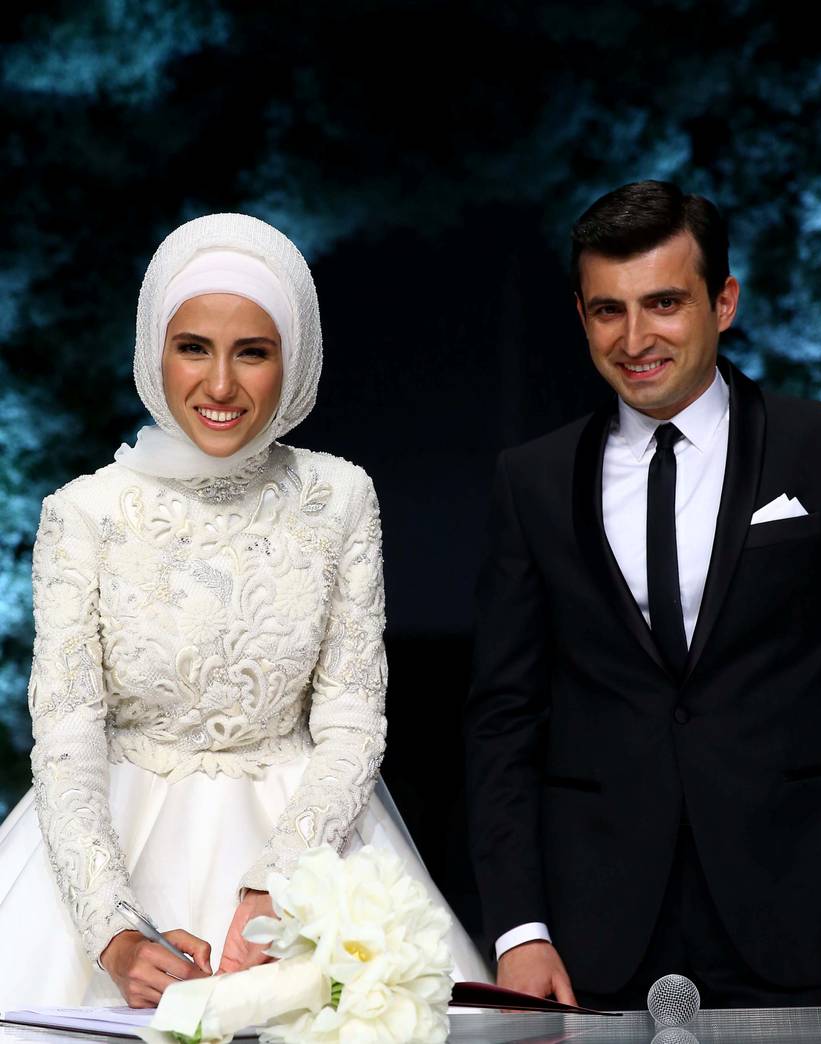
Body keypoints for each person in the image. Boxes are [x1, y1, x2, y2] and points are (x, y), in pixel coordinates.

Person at [0, 212, 489, 1008]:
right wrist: (113, 932)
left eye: (252, 352)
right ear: (154, 350)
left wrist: (283, 883)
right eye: (193, 346)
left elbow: (353, 719)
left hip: (311, 837)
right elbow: (65, 741)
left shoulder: (339, 499)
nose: (220, 385)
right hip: (108, 853)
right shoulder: (83, 513)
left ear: (293, 363)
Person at [465, 181, 821, 1009]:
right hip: (593, 935)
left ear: (723, 301)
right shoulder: (533, 480)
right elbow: (501, 721)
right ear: (582, 316)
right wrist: (519, 930)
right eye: (607, 310)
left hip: (808, 918)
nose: (636, 338)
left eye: (664, 302)